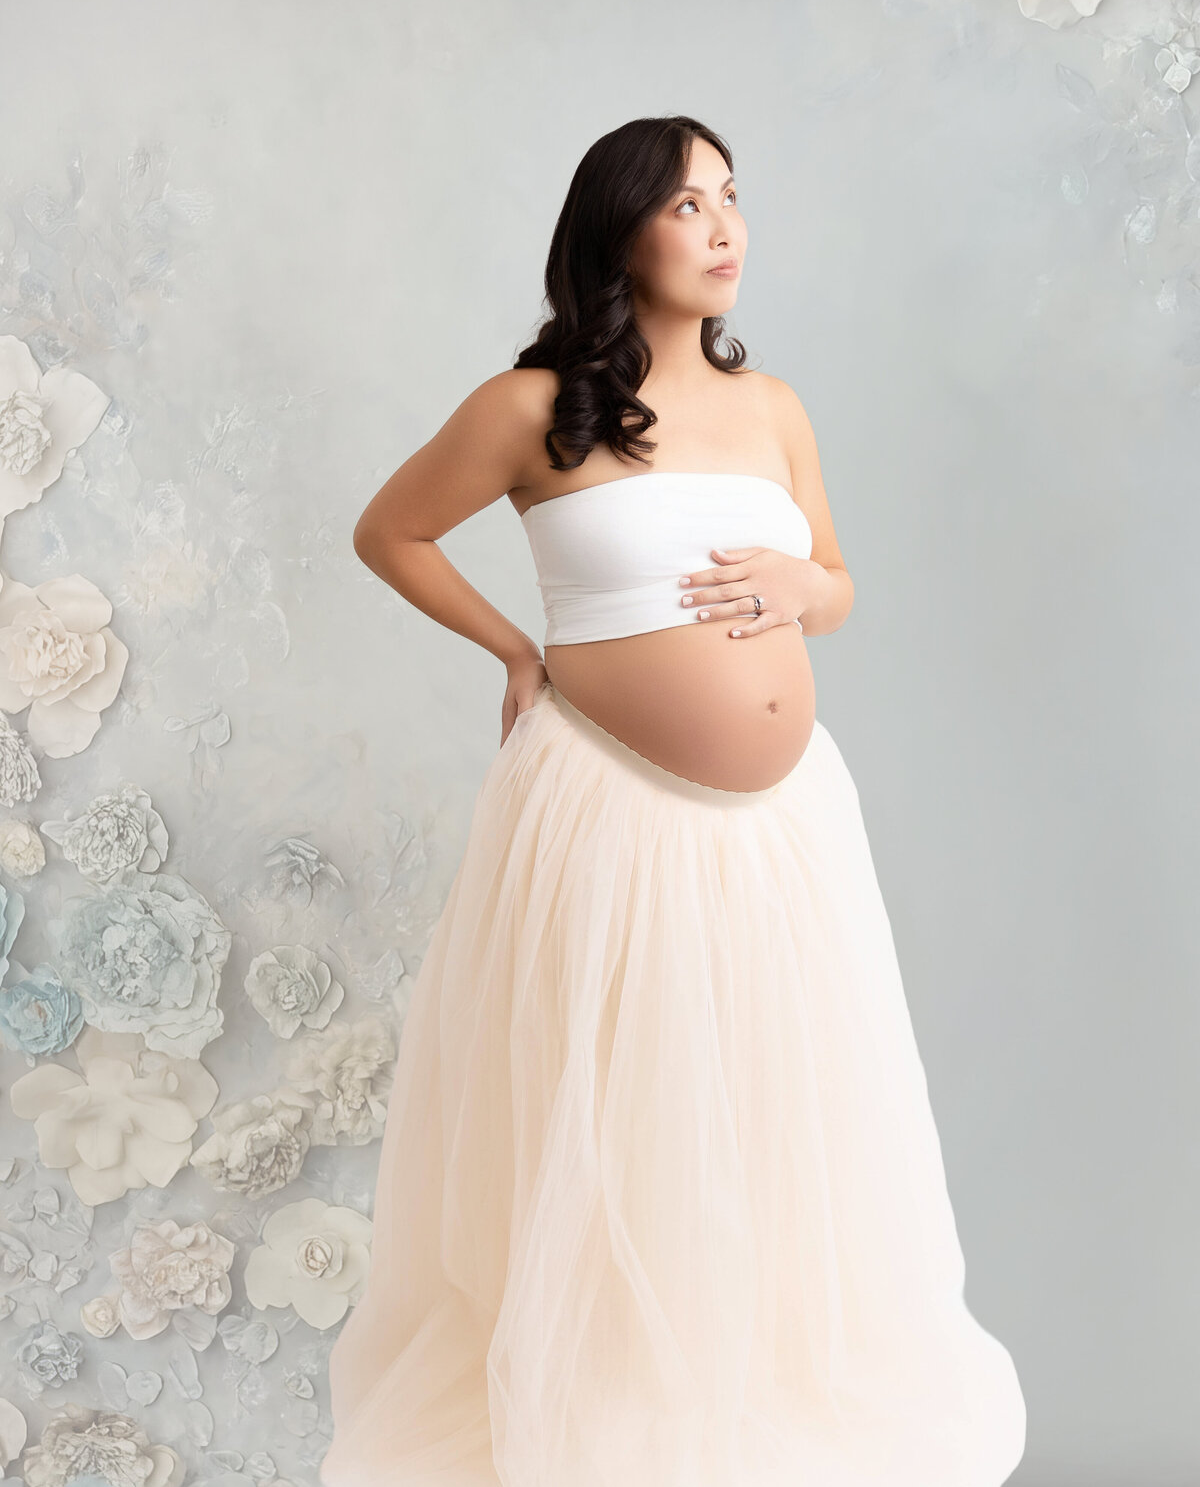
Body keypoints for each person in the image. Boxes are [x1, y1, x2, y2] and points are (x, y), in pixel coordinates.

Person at [319, 115, 1027, 1487]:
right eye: (688, 203)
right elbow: (388, 529)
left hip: (787, 834)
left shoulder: (776, 410)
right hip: (610, 813)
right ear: (619, 230)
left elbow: (837, 581)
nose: (724, 228)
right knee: (623, 1130)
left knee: (775, 1131)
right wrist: (518, 650)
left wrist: (798, 591)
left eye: (734, 200)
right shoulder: (531, 408)